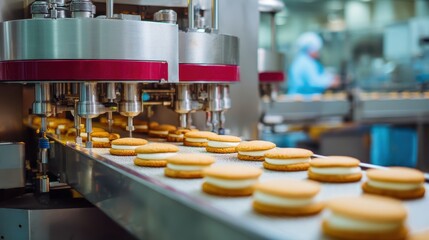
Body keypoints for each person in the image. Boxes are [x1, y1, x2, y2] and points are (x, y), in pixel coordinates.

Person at [287, 32, 339, 96]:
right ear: (310, 49)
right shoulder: (306, 62)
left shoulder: (301, 60)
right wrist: (331, 81)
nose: (318, 53)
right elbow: (314, 82)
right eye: (317, 50)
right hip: (303, 101)